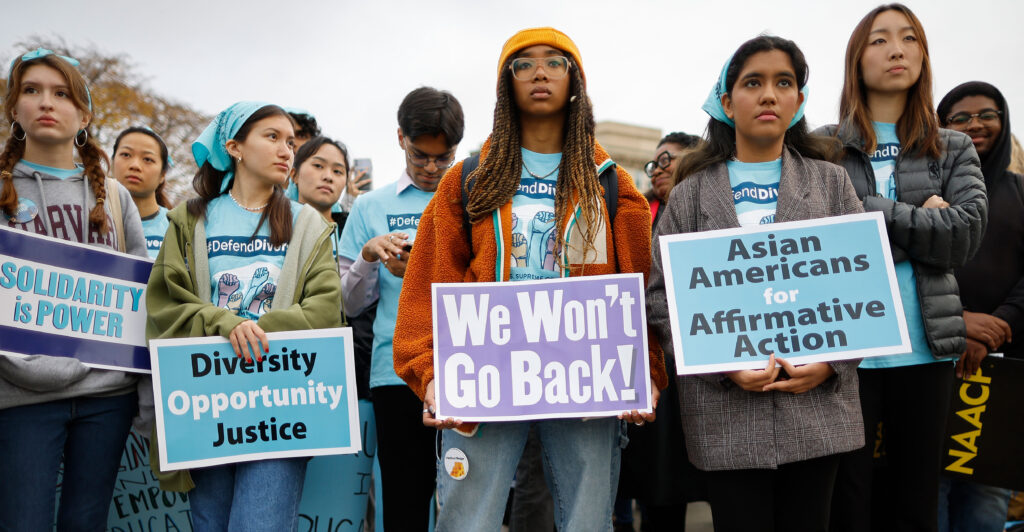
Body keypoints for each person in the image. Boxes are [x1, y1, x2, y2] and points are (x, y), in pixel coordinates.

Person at [392, 27, 667, 531]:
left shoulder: (610, 181)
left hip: (587, 370)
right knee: (467, 519)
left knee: (587, 519)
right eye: (524, 64)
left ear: (575, 81)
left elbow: (640, 282)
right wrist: (429, 372)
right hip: (484, 367)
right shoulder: (471, 177)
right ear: (506, 84)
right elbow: (428, 279)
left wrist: (645, 369)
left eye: (554, 62)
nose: (539, 72)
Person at [646, 35, 866, 532]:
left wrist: (831, 364)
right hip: (724, 416)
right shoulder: (690, 196)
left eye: (783, 83)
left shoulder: (831, 184)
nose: (769, 94)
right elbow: (661, 298)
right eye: (753, 83)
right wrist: (722, 365)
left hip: (818, 414)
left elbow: (863, 283)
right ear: (727, 102)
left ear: (798, 101)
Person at [818, 5, 988, 532]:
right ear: (855, 58)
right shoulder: (824, 147)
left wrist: (867, 210)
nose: (897, 49)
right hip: (847, 356)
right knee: (847, 507)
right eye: (879, 40)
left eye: (909, 38)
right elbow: (823, 245)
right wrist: (921, 222)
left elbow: (963, 239)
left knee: (914, 505)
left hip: (926, 348)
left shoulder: (952, 145)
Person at [145, 102, 342, 531]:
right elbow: (166, 304)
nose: (286, 150)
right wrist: (225, 323)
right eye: (271, 137)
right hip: (207, 407)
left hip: (281, 407)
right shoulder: (189, 218)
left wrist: (254, 330)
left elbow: (325, 311)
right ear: (234, 147)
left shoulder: (308, 224)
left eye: (290, 141)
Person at [0, 48, 148, 530]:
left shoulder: (116, 194)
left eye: (61, 94)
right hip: (19, 395)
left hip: (108, 397)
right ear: (14, 109)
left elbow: (141, 295)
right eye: (32, 91)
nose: (47, 102)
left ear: (83, 114)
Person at [337, 86, 464, 531]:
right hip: (397, 371)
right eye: (420, 156)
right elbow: (350, 304)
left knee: (469, 501)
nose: (431, 168)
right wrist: (369, 258)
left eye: (443, 157)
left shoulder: (471, 201)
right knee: (405, 503)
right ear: (399, 139)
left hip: (469, 368)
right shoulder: (370, 207)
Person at [935, 81, 1022, 532]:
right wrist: (958, 323)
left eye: (986, 114)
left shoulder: (1021, 192)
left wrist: (1000, 326)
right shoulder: (926, 191)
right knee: (927, 495)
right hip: (933, 362)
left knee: (987, 502)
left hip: (1003, 373)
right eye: (960, 118)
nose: (974, 124)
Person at [617, 129, 704, 532]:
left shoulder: (709, 212)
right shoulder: (642, 216)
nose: (657, 170)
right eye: (654, 163)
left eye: (668, 160)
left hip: (696, 368)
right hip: (649, 363)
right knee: (652, 483)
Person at [111, 126, 173, 259]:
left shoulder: (178, 229)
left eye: (147, 159)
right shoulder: (87, 217)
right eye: (126, 155)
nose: (135, 165)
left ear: (163, 174)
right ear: (112, 163)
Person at [644, 131, 700, 227]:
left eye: (664, 160)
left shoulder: (712, 204)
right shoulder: (640, 213)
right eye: (653, 167)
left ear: (692, 160)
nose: (656, 171)